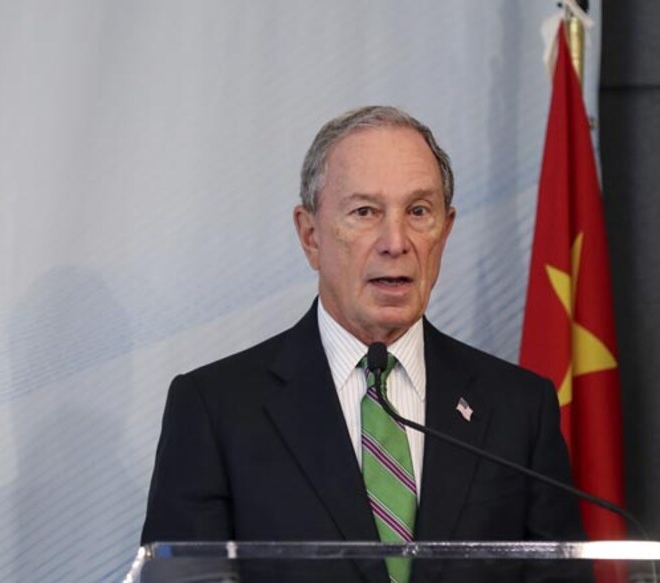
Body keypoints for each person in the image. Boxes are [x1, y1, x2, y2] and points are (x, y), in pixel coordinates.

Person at [140, 106, 585, 581]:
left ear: (446, 230)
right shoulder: (217, 409)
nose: (396, 241)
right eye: (365, 212)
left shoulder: (519, 407)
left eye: (418, 211)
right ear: (310, 235)